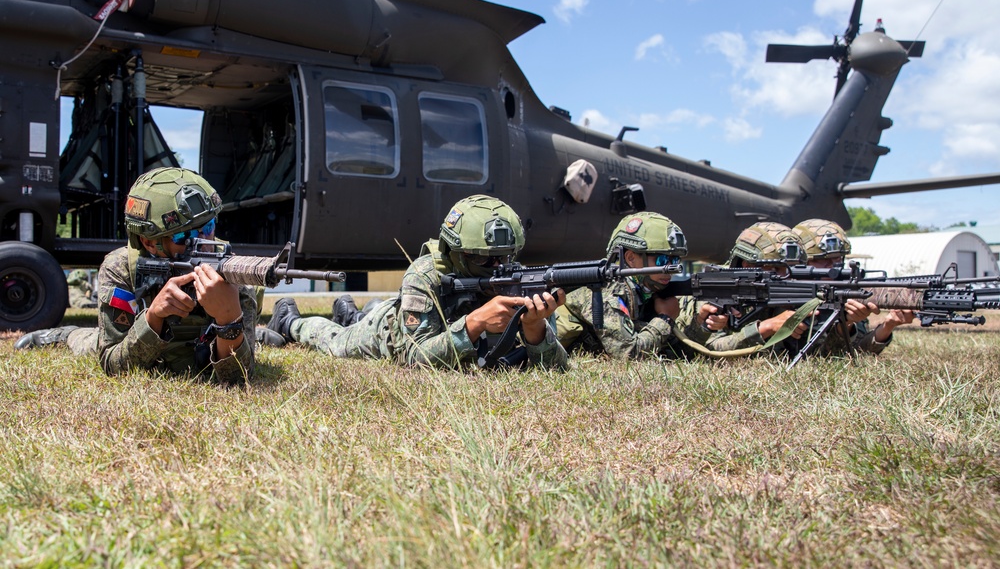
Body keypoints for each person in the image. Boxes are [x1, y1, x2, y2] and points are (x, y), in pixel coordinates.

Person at [267, 194, 567, 370]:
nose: (499, 268)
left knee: (370, 315)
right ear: (455, 252)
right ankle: (289, 321)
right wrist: (474, 324)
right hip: (387, 333)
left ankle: (353, 312)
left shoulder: (518, 279)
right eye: (485, 259)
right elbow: (414, 357)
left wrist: (535, 329)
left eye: (507, 258)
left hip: (412, 318)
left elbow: (557, 368)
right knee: (334, 343)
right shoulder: (425, 274)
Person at [15, 167, 256, 385]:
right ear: (149, 243)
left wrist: (229, 321)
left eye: (209, 227)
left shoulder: (231, 270)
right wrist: (152, 317)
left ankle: (265, 331)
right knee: (89, 341)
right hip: (126, 334)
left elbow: (239, 378)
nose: (204, 243)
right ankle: (66, 334)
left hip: (202, 344)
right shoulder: (120, 268)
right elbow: (113, 365)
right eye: (185, 237)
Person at [556, 211, 724, 359]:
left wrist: (702, 325)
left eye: (675, 260)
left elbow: (676, 353)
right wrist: (665, 318)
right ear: (630, 258)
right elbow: (629, 355)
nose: (670, 269)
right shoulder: (607, 290)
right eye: (662, 260)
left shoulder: (645, 291)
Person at [675, 221, 815, 357]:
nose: (786, 277)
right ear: (748, 266)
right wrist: (766, 327)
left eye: (791, 269)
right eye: (776, 269)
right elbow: (709, 349)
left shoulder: (780, 291)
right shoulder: (717, 286)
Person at [792, 218, 915, 355]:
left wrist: (887, 327)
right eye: (822, 260)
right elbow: (811, 357)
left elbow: (856, 352)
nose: (833, 266)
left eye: (838, 259)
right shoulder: (784, 299)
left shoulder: (847, 293)